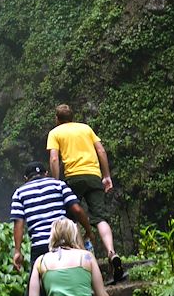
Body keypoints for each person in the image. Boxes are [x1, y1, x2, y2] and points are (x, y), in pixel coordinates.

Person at [11, 161, 94, 296]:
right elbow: (77, 209)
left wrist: (17, 251)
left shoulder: (20, 192)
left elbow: (18, 223)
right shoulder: (59, 184)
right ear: (46, 173)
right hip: (64, 240)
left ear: (26, 178)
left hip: (40, 246)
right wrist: (88, 230)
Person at [47, 104, 125, 283]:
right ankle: (112, 253)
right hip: (93, 175)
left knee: (71, 220)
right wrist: (106, 176)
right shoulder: (86, 128)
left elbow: (53, 158)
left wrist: (56, 182)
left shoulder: (55, 132)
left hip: (73, 178)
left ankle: (83, 261)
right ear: (72, 116)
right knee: (101, 218)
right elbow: (101, 151)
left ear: (57, 119)